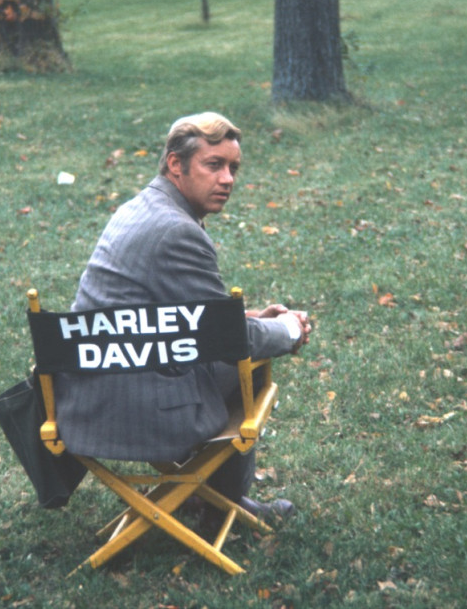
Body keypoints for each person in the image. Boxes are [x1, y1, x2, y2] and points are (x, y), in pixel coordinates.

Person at [52, 111, 311, 521]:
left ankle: (211, 498)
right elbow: (228, 340)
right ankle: (221, 508)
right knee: (250, 364)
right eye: (214, 165)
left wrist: (249, 318)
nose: (228, 179)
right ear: (176, 164)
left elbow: (175, 316)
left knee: (239, 351)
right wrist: (288, 329)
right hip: (123, 405)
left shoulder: (145, 206)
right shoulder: (175, 230)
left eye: (233, 168)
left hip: (95, 385)